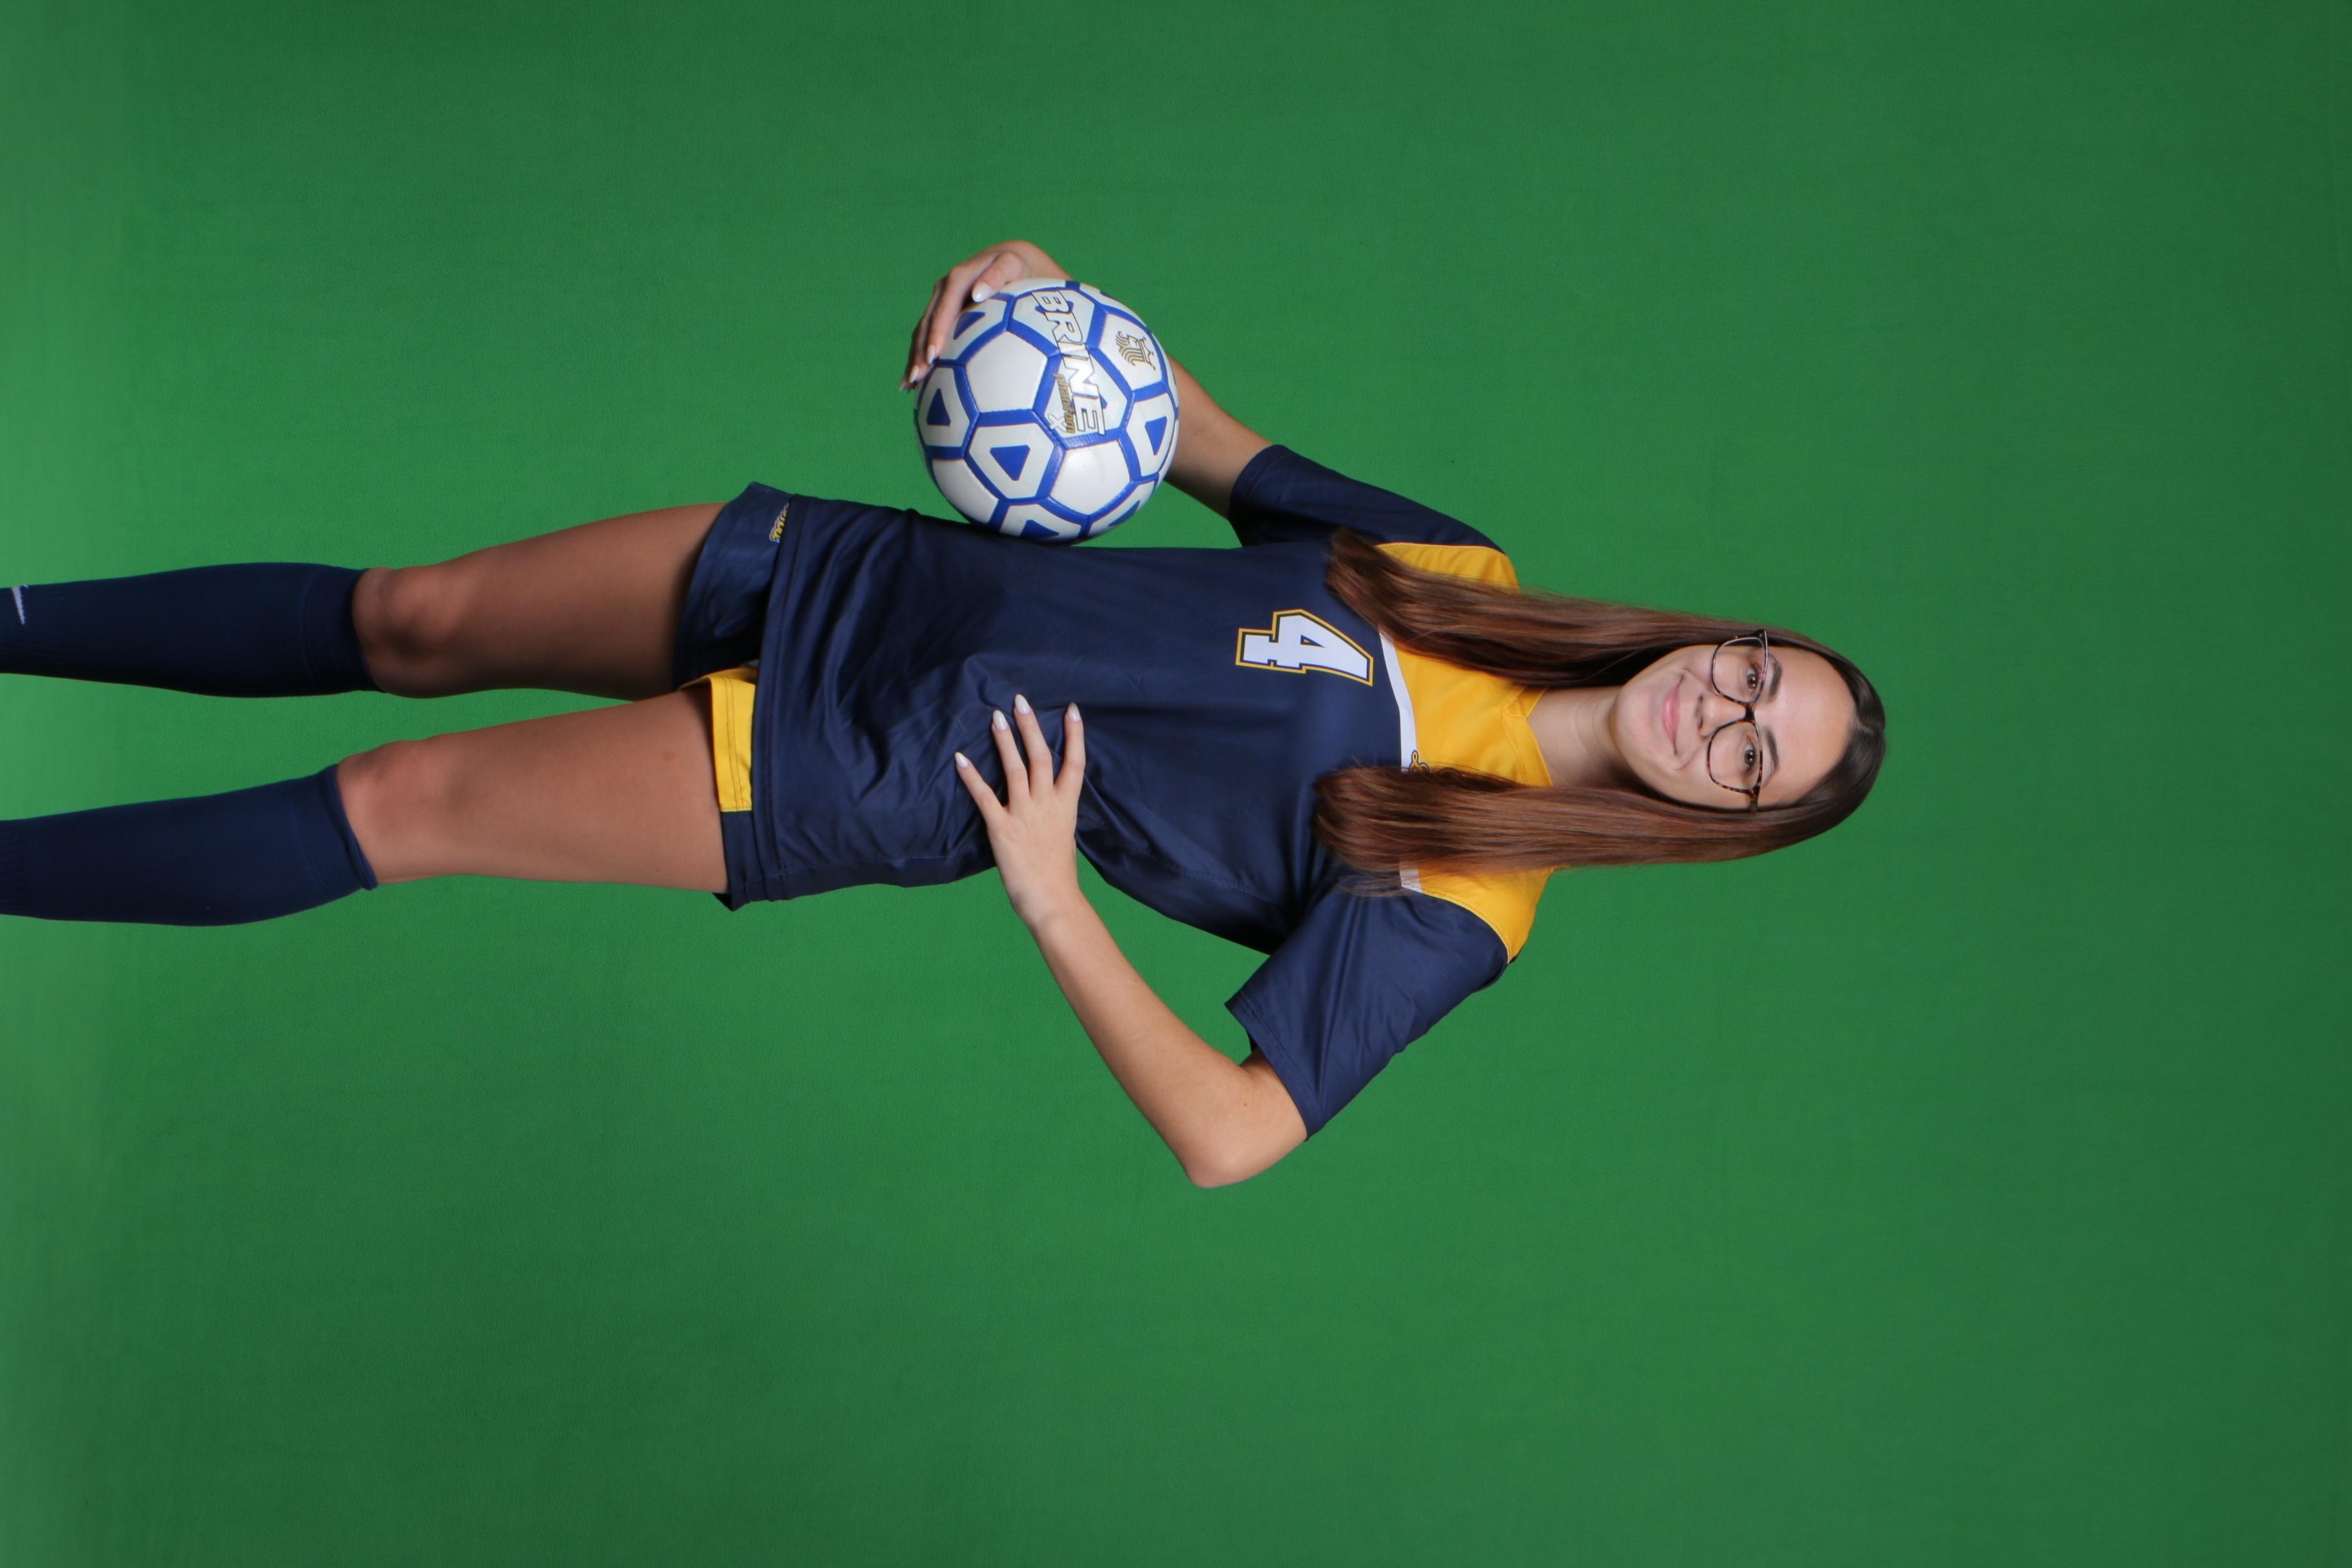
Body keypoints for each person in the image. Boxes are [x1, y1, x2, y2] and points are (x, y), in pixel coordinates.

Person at [0, 239, 1885, 1186]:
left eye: (1754, 759)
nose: (1720, 716)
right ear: (1722, 636)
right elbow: (1197, 438)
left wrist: (1054, 898)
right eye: (1753, 675)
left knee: (403, 797)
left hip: (885, 762)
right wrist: (1055, 286)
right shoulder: (1464, 573)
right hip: (880, 577)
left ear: (1723, 820)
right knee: (406, 616)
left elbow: (1234, 1134)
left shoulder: (1471, 899)